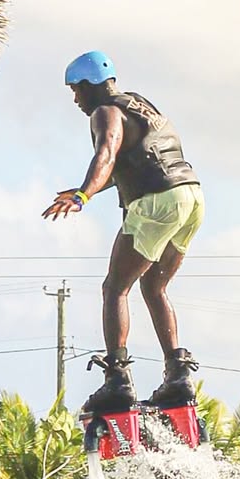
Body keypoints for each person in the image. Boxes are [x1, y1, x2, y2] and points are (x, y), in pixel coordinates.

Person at [44, 50, 204, 414]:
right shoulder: (140, 105)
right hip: (191, 197)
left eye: (75, 90)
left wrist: (83, 196)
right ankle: (177, 375)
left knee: (115, 287)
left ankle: (117, 379)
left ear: (89, 85)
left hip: (157, 202)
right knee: (154, 286)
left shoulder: (105, 112)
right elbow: (129, 164)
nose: (75, 100)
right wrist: (85, 188)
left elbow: (106, 154)